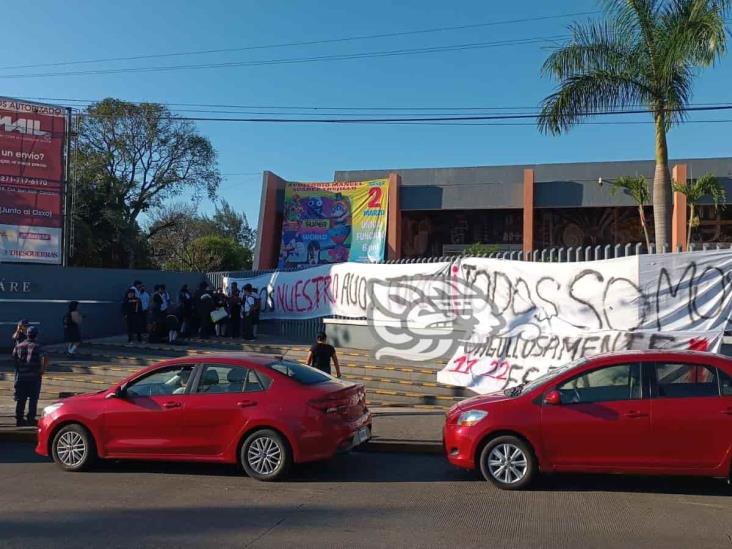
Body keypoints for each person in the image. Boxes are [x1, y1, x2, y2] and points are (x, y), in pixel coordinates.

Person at [12, 326, 47, 427]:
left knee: (21, 399)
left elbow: (14, 357)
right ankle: (31, 418)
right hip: (34, 376)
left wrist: (19, 368)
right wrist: (42, 369)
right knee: (33, 399)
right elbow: (45, 356)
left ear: (27, 334)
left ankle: (19, 419)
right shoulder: (37, 346)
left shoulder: (19, 346)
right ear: (36, 335)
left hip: (21, 376)